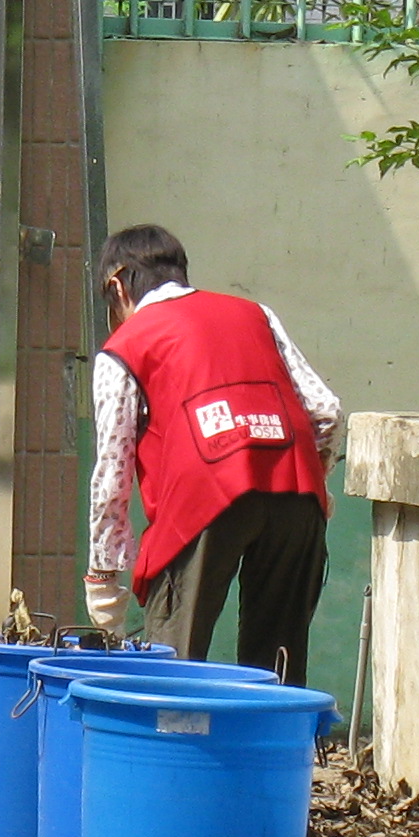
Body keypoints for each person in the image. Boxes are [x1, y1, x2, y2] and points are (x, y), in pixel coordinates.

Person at [84, 222, 343, 676]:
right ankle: (276, 746)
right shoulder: (255, 313)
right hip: (296, 496)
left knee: (174, 664)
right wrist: (314, 477)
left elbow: (113, 464)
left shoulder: (124, 346)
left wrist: (104, 576)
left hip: (202, 503)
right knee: (278, 661)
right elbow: (326, 411)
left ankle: (172, 743)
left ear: (116, 284)